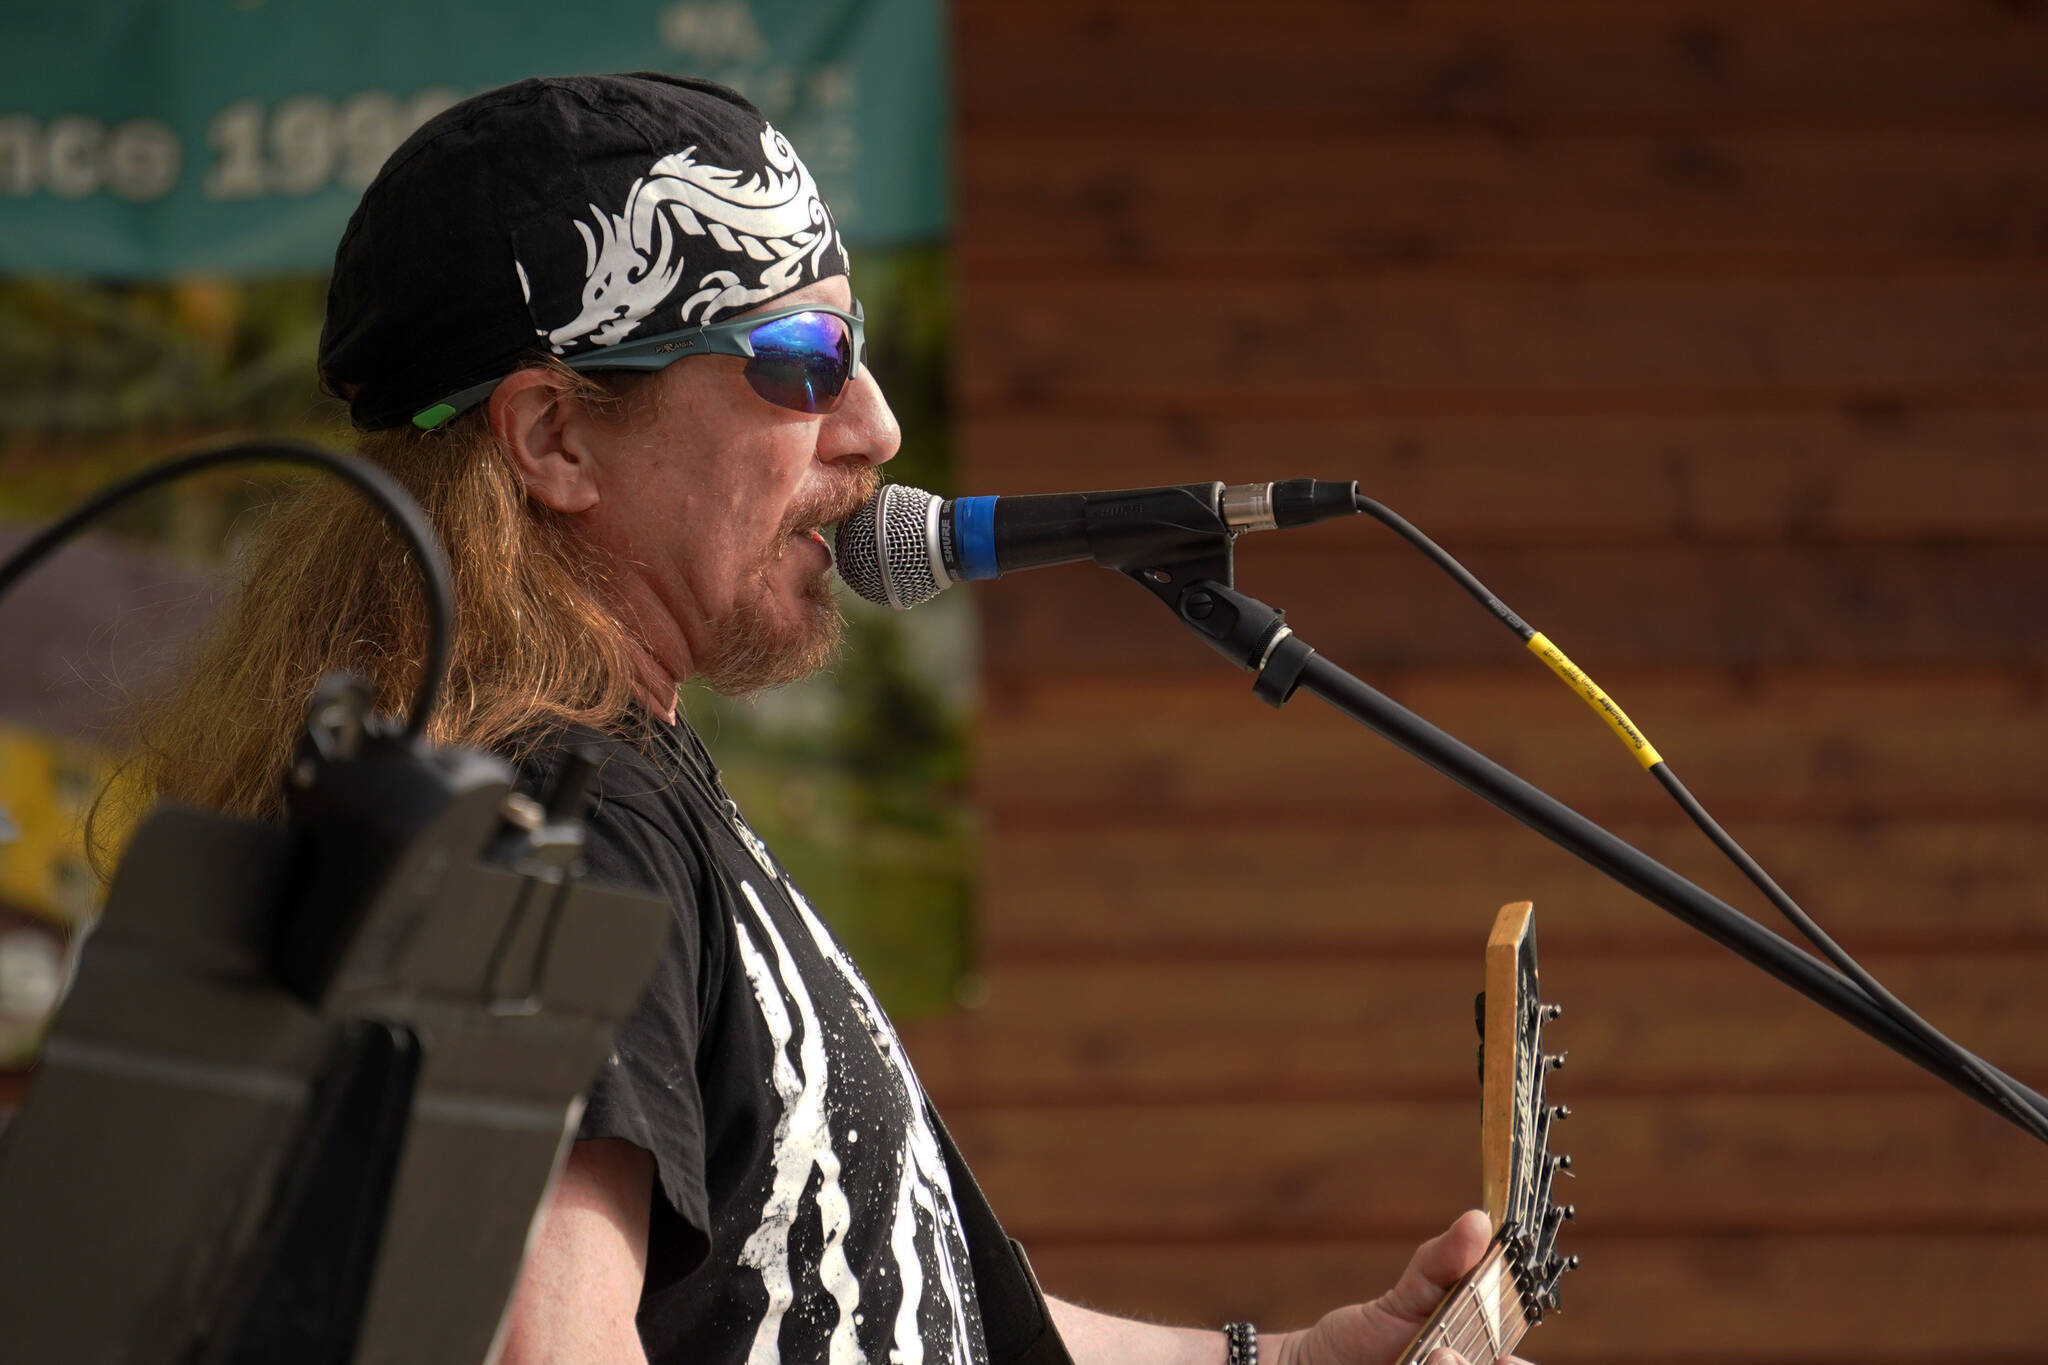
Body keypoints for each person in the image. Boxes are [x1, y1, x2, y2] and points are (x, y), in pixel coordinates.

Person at [125, 73, 1522, 1365]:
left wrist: (1279, 1359)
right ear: (552, 438)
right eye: (802, 357)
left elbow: (896, 1298)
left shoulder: (624, 793)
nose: (876, 425)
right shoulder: (562, 820)